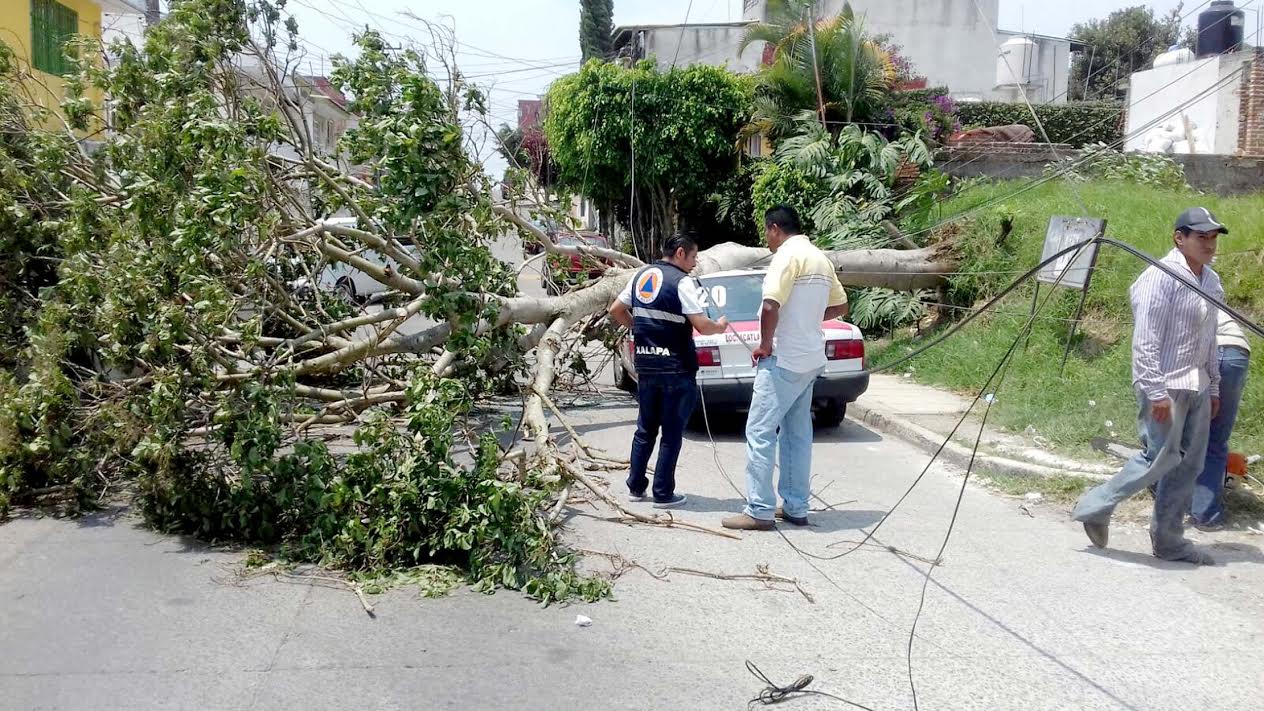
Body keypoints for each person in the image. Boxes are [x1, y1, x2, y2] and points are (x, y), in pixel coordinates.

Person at [1071, 207, 1227, 565]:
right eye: (1201, 237)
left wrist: (1215, 387)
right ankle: (1095, 505)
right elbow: (1145, 341)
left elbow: (1210, 340)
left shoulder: (1212, 281)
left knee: (1190, 466)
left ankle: (1169, 541)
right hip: (1165, 385)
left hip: (1199, 384)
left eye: (1213, 238)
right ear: (1179, 238)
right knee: (1158, 458)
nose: (1209, 244)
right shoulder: (1159, 277)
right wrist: (1155, 391)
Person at [722, 205, 849, 531]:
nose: (767, 239)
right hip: (810, 358)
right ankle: (795, 506)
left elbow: (769, 305)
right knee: (797, 434)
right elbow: (841, 305)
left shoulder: (786, 256)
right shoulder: (820, 258)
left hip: (783, 357)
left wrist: (765, 344)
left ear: (775, 228)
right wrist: (807, 319)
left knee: (760, 432)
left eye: (767, 232)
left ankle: (759, 510)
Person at [608, 234, 729, 508]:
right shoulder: (681, 282)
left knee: (645, 429)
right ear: (680, 253)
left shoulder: (641, 276)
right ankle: (663, 493)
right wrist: (719, 326)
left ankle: (636, 487)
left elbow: (616, 309)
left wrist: (640, 328)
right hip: (676, 368)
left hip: (646, 366)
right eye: (693, 257)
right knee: (671, 433)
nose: (695, 263)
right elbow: (701, 324)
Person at [1189, 309, 1251, 529]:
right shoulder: (1206, 291)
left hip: (1204, 347)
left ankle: (1171, 497)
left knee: (1184, 432)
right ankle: (1206, 514)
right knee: (1215, 439)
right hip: (1236, 351)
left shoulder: (1167, 296)